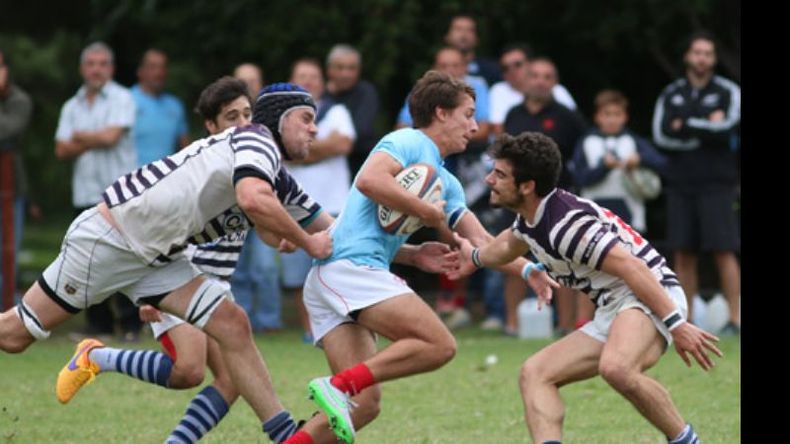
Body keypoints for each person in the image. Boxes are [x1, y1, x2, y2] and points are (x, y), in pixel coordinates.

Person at [0, 82, 335, 443]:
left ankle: (285, 436)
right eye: (306, 119)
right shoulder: (256, 140)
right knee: (14, 335)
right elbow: (254, 200)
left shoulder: (275, 175)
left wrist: (388, 243)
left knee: (232, 324)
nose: (314, 130)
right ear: (280, 120)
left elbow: (331, 228)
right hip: (111, 240)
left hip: (157, 259)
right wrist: (308, 243)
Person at [285, 70, 557, 444]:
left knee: (363, 406)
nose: (474, 126)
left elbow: (481, 240)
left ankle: (325, 407)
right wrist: (426, 211)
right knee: (438, 345)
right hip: (348, 269)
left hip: (339, 275)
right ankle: (337, 385)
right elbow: (370, 181)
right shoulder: (408, 140)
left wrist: (527, 270)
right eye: (467, 114)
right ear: (441, 113)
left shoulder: (449, 183)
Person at [449, 131, 722, 444]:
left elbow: (633, 267)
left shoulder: (568, 226)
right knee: (536, 373)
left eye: (500, 174)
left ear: (527, 186)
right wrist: (473, 257)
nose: (489, 180)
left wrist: (677, 324)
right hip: (615, 305)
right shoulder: (531, 220)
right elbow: (503, 248)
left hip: (650, 293)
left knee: (617, 368)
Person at [651, 31, 741, 334]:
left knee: (724, 250)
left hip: (717, 184)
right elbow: (662, 135)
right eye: (697, 52)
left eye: (708, 53)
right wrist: (706, 128)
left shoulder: (728, 91)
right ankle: (684, 321)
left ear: (713, 59)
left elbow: (727, 129)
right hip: (681, 184)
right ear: (688, 56)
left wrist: (686, 124)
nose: (702, 58)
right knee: (683, 252)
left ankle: (736, 319)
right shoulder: (671, 93)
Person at [54, 41, 142, 343]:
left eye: (102, 63)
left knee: (127, 258)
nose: (96, 69)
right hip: (84, 193)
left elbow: (112, 137)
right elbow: (61, 150)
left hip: (119, 194)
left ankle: (131, 325)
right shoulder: (71, 105)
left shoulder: (123, 98)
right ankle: (98, 325)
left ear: (111, 68)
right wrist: (95, 138)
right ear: (82, 68)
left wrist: (80, 137)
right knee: (87, 261)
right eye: (91, 64)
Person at [503, 56, 588, 336]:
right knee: (513, 260)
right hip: (517, 202)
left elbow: (583, 156)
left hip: (555, 203)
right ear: (525, 80)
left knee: (563, 264)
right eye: (535, 75)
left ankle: (566, 326)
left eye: (547, 76)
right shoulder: (513, 114)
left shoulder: (567, 117)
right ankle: (512, 325)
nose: (540, 81)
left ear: (555, 83)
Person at [282, 57, 356, 343]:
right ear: (292, 81)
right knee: (300, 276)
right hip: (294, 208)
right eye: (302, 76)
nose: (309, 81)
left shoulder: (337, 111)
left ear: (323, 83)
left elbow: (343, 144)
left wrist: (301, 152)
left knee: (338, 271)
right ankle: (310, 331)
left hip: (335, 204)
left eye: (314, 76)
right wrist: (324, 147)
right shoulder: (281, 118)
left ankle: (343, 327)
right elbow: (282, 152)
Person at [231, 62, 285, 333]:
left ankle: (269, 321)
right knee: (237, 269)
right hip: (234, 206)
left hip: (264, 202)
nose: (248, 87)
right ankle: (244, 323)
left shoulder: (270, 120)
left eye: (252, 81)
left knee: (265, 266)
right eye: (242, 82)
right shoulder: (227, 119)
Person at [573, 90, 667, 233]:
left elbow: (662, 163)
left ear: (625, 117)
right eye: (607, 114)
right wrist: (604, 168)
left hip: (630, 216)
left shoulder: (633, 141)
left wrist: (640, 159)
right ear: (597, 117)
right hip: (594, 216)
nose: (612, 120)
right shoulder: (587, 142)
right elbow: (579, 178)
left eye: (617, 114)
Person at [0, 49, 34, 305]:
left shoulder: (19, 100)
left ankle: (6, 310)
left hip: (8, 191)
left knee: (7, 254)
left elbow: (5, 131)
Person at [489, 43, 577, 137]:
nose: (512, 71)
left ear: (530, 64)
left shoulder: (558, 91)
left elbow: (574, 125)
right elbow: (499, 133)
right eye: (505, 68)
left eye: (517, 64)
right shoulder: (501, 94)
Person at [324, 44, 380, 177]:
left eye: (351, 68)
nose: (345, 74)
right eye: (340, 67)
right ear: (329, 69)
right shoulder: (320, 94)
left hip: (359, 169)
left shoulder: (366, 92)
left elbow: (361, 130)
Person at [131, 48, 190, 166]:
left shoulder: (175, 105)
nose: (158, 73)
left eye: (162, 67)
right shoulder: (126, 101)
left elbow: (186, 149)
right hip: (132, 175)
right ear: (140, 71)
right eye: (152, 67)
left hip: (168, 175)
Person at [444, 14, 501, 86]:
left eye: (470, 30)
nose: (463, 34)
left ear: (477, 38)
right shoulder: (437, 71)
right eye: (458, 29)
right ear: (447, 36)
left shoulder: (492, 70)